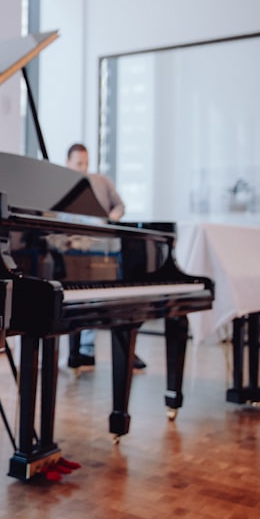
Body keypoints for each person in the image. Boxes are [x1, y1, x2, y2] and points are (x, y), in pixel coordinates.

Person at [64, 143, 146, 370]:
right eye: (79, 163)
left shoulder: (101, 181)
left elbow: (120, 206)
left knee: (108, 298)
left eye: (86, 163)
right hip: (72, 248)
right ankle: (76, 352)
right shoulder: (61, 185)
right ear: (68, 163)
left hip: (102, 246)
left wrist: (111, 217)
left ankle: (110, 351)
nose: (83, 167)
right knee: (77, 299)